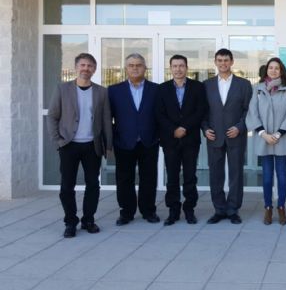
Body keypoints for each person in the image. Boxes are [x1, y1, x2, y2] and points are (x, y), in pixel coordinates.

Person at [47, 53, 112, 238]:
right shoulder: (62, 89)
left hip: (92, 146)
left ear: (94, 69)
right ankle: (70, 221)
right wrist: (58, 141)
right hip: (69, 145)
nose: (86, 68)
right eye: (83, 65)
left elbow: (107, 119)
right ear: (76, 67)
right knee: (67, 186)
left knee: (93, 184)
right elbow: (52, 116)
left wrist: (108, 146)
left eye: (90, 66)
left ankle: (88, 220)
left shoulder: (102, 92)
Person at [202, 48, 253, 225]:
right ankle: (219, 209)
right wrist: (205, 128)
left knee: (236, 174)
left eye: (226, 60)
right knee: (215, 174)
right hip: (214, 136)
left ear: (232, 62)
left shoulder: (244, 84)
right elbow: (202, 111)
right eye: (219, 60)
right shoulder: (206, 85)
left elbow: (249, 110)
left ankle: (233, 209)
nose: (223, 63)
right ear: (215, 62)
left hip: (235, 135)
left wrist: (240, 127)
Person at [109, 53, 160, 226]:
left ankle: (148, 210)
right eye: (131, 65)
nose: (135, 68)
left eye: (139, 65)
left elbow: (161, 116)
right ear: (126, 69)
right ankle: (126, 212)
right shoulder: (114, 90)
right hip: (124, 142)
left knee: (149, 178)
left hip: (149, 141)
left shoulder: (156, 89)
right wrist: (111, 139)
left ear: (145, 68)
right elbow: (108, 117)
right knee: (124, 178)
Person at [246, 57, 286, 225]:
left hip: (281, 139)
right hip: (264, 139)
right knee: (267, 177)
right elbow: (253, 113)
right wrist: (263, 133)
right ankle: (268, 207)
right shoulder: (258, 89)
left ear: (281, 70)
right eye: (270, 68)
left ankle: (281, 207)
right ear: (266, 70)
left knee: (281, 176)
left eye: (277, 68)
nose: (273, 70)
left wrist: (277, 134)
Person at [156, 54, 207, 226]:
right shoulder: (161, 89)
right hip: (170, 140)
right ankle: (173, 210)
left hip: (190, 139)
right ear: (170, 68)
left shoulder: (197, 87)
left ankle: (189, 209)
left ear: (187, 67)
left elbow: (200, 111)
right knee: (172, 177)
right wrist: (173, 129)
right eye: (175, 66)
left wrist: (184, 127)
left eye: (181, 66)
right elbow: (159, 114)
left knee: (190, 177)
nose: (178, 69)